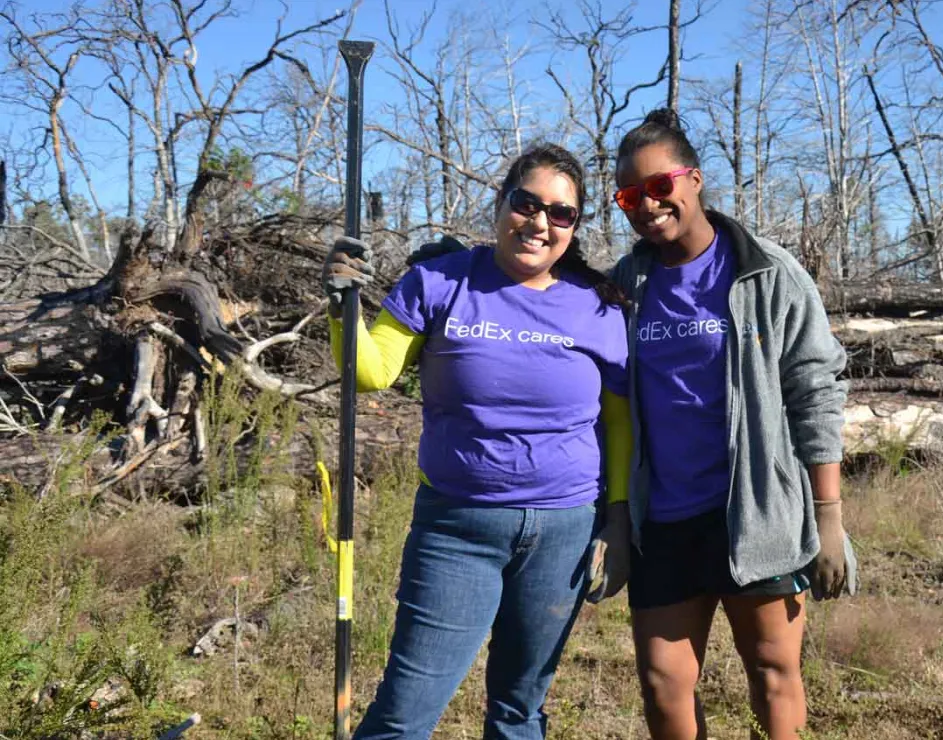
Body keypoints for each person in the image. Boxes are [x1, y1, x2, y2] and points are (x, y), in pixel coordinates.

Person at [321, 143, 633, 740]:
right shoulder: (439, 280)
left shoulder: (598, 307)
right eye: (527, 203)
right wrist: (344, 306)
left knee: (519, 713)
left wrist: (616, 517)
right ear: (500, 204)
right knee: (404, 715)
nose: (540, 223)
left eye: (561, 214)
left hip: (564, 530)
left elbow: (618, 423)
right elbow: (371, 372)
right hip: (457, 530)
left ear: (574, 226)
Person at [588, 108, 855, 740]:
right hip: (666, 519)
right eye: (630, 194)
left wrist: (831, 516)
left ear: (695, 179)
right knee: (662, 682)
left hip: (757, 511)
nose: (647, 205)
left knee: (772, 670)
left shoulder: (766, 272)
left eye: (660, 186)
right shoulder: (627, 285)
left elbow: (815, 391)